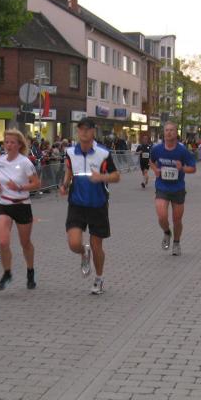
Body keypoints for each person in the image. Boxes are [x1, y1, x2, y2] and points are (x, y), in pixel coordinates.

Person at [59, 118, 120, 295]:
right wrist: (64, 185)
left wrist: (102, 177)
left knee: (96, 245)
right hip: (76, 204)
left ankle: (99, 279)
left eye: (87, 129)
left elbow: (116, 176)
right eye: (81, 129)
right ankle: (83, 252)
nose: (84, 132)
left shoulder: (103, 153)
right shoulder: (70, 152)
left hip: (98, 204)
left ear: (93, 131)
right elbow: (69, 172)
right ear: (77, 131)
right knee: (73, 243)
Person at [0, 130, 40, 291]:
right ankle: (7, 273)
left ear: (19, 145)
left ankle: (30, 271)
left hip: (22, 205)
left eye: (12, 142)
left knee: (25, 243)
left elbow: (36, 184)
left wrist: (19, 187)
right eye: (6, 142)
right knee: (3, 242)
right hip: (4, 204)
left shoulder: (25, 162)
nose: (9, 145)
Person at [150, 121, 197, 257]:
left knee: (177, 220)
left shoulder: (182, 151)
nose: (169, 132)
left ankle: (176, 243)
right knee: (162, 215)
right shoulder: (157, 149)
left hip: (178, 188)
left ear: (176, 133)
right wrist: (155, 170)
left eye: (172, 130)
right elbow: (151, 161)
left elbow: (193, 168)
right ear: (163, 133)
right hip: (162, 186)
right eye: (166, 130)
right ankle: (167, 232)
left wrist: (182, 168)